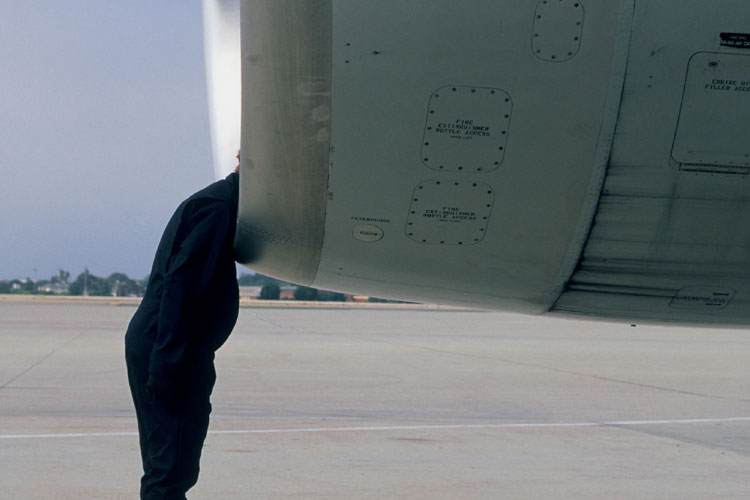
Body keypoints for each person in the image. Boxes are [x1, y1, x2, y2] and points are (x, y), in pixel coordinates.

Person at [125, 158, 241, 500]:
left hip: (171, 341)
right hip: (172, 343)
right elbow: (182, 287)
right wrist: (169, 365)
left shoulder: (221, 201)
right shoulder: (220, 207)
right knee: (170, 470)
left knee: (169, 466)